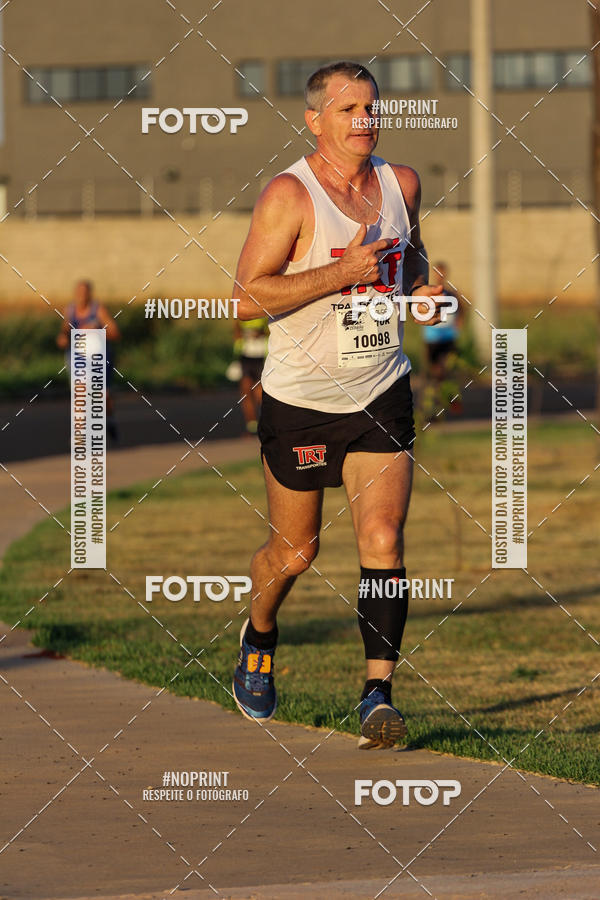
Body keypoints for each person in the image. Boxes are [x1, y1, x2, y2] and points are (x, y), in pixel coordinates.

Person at [231, 61, 443, 749]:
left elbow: (410, 260)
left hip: (380, 387)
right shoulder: (288, 195)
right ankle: (259, 632)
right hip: (302, 400)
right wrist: (342, 273)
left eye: (371, 105)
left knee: (382, 539)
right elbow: (248, 296)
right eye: (347, 106)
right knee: (295, 552)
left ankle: (377, 695)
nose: (363, 117)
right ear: (314, 119)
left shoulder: (399, 184)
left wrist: (424, 289)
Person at [57, 279, 121, 440]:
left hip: (99, 356)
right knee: (80, 393)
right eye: (79, 293)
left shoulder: (98, 310)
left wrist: (96, 331)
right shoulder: (70, 311)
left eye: (85, 293)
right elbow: (64, 332)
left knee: (102, 395)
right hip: (78, 357)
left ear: (90, 294)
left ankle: (110, 420)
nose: (81, 296)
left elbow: (115, 333)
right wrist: (63, 339)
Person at [422, 261, 464, 384]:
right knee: (433, 368)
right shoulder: (428, 292)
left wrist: (459, 322)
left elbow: (462, 309)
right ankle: (434, 393)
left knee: (448, 366)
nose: (440, 275)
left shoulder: (452, 293)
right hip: (432, 336)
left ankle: (447, 393)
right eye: (437, 272)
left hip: (448, 336)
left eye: (442, 272)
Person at [232, 317, 269, 435]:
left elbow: (271, 329)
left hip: (260, 355)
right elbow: (236, 330)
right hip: (244, 355)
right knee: (245, 392)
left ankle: (266, 423)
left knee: (260, 393)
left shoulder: (264, 311)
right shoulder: (241, 307)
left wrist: (259, 333)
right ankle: (251, 425)